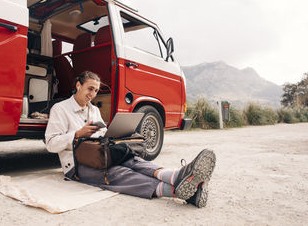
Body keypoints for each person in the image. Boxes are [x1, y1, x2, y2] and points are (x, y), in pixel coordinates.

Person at [45, 71, 216, 207]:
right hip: (77, 165)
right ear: (78, 85)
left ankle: (175, 176)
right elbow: (51, 144)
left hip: (101, 153)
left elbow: (102, 132)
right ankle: (179, 190)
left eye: (96, 90)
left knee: (132, 160)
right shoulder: (60, 109)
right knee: (119, 173)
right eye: (90, 89)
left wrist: (112, 134)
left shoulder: (94, 110)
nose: (93, 94)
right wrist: (77, 134)